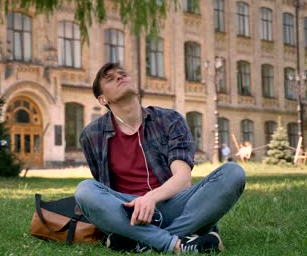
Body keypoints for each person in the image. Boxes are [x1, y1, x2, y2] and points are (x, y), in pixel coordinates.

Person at [74, 63, 246, 254]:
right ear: (102, 99)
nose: (119, 76)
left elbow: (183, 179)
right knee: (85, 190)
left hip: (173, 203)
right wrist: (134, 205)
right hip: (128, 211)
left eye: (122, 73)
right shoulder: (91, 135)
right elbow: (103, 187)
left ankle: (139, 240)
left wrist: (150, 198)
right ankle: (180, 244)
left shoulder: (169, 120)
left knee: (233, 172)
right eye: (110, 78)